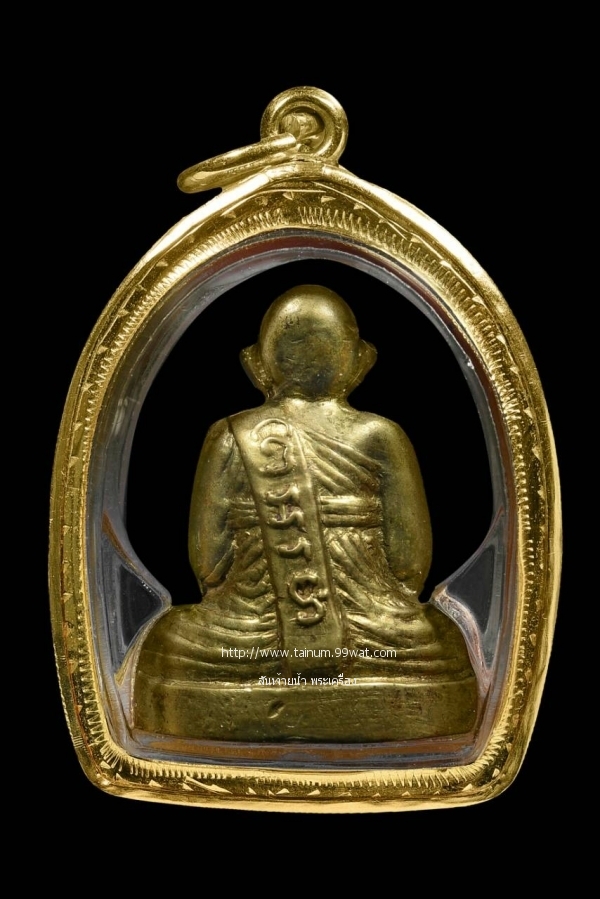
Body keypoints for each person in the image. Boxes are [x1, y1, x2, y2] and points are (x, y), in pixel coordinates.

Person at [134, 286, 477, 740]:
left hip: (246, 640)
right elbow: (409, 567)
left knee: (170, 639)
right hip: (378, 643)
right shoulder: (381, 435)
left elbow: (209, 565)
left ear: (256, 364)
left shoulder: (230, 435)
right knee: (441, 640)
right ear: (360, 361)